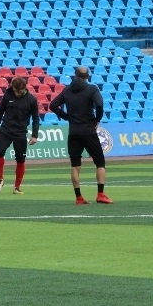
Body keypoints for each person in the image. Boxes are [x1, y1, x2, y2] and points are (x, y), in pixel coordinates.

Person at [49, 66, 113, 205]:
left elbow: (53, 105)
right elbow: (99, 104)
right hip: (88, 130)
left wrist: (66, 116)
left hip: (74, 132)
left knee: (75, 165)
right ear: (87, 76)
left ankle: (78, 197)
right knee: (100, 162)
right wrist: (97, 119)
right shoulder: (92, 89)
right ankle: (100, 194)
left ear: (75, 75)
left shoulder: (67, 90)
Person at [0, 76, 40, 195]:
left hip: (21, 132)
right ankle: (0, 179)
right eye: (15, 91)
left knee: (20, 159)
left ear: (24, 88)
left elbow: (35, 118)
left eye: (19, 91)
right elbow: (0, 111)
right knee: (0, 152)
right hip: (6, 129)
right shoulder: (8, 95)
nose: (17, 93)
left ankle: (17, 187)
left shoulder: (32, 100)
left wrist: (34, 135)